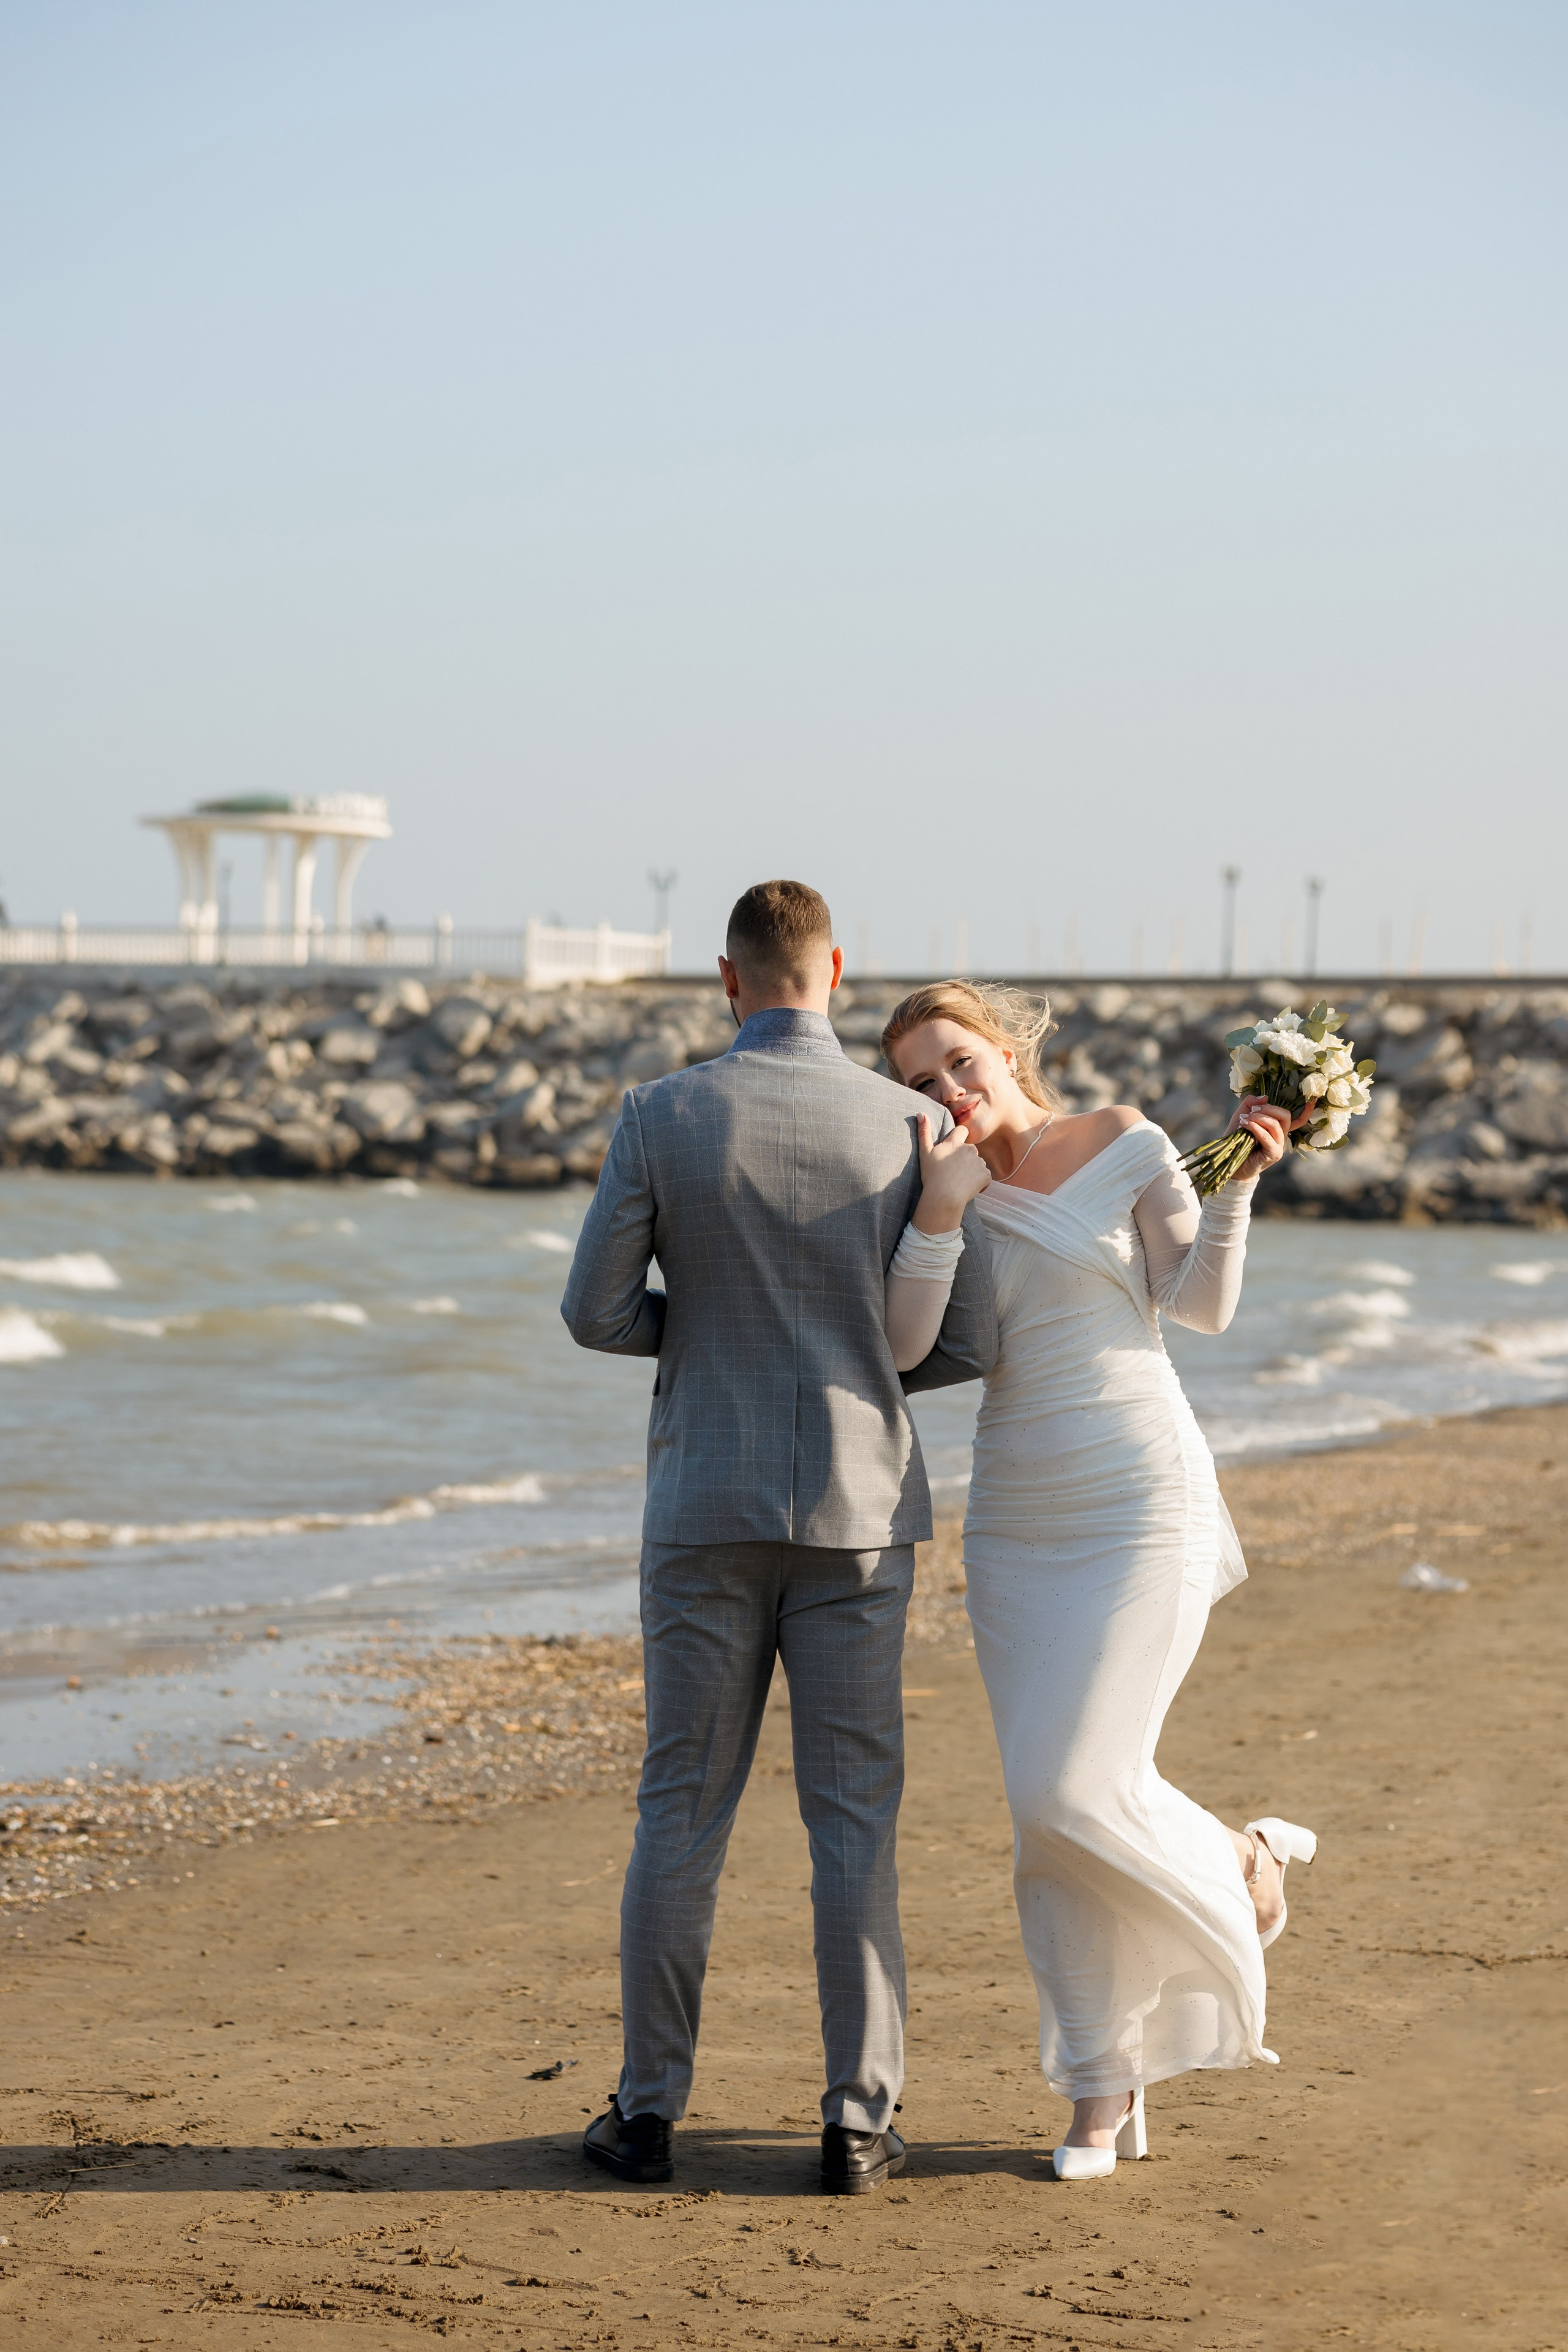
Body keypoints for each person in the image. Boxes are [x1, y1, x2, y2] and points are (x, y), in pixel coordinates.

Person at [560, 882, 997, 2195]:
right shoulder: (916, 1123)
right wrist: (859, 1359)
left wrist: (700, 1339)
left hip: (705, 1505)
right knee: (852, 1820)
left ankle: (647, 2113)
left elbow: (593, 1312)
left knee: (679, 1812)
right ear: (836, 971)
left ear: (727, 979)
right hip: (858, 1513)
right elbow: (968, 1336)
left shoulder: (662, 1111)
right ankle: (858, 2122)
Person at [880, 979, 1317, 2184]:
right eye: (918, 1083)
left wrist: (1236, 1192)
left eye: (959, 1061)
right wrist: (939, 1209)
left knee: (1078, 1787)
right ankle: (1097, 2087)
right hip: (1015, 1522)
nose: (948, 1090)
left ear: (1006, 1048)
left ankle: (1241, 1865)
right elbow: (906, 1348)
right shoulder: (934, 1185)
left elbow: (1200, 1307)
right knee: (1045, 1817)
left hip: (1139, 1497)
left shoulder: (1121, 1137)